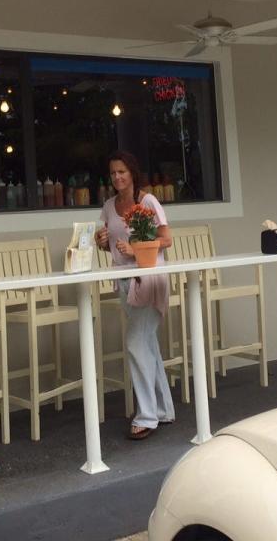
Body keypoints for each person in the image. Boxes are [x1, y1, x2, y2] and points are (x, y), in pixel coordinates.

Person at [95, 150, 175, 439]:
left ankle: (147, 416)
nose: (117, 177)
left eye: (122, 172)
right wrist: (101, 242)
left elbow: (166, 240)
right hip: (125, 282)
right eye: (113, 172)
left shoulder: (148, 201)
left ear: (132, 173)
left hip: (149, 279)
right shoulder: (108, 206)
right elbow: (110, 245)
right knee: (147, 344)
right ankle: (163, 409)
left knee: (135, 342)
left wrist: (137, 248)